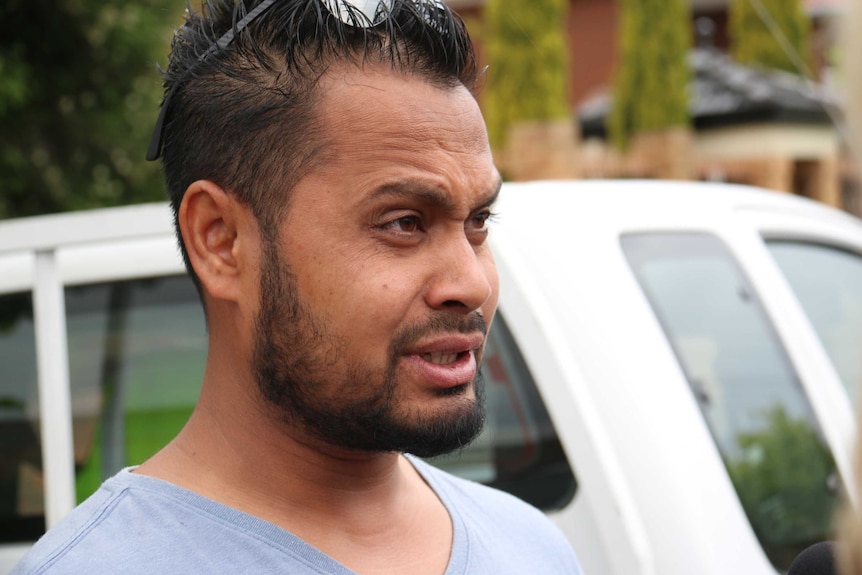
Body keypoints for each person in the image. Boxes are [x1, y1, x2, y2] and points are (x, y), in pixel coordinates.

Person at [12, 0, 582, 573]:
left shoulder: (533, 548)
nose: (471, 283)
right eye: (404, 223)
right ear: (221, 240)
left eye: (478, 222)